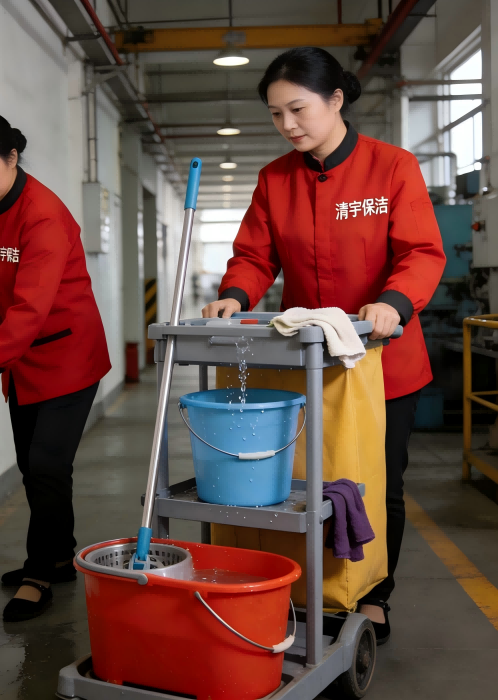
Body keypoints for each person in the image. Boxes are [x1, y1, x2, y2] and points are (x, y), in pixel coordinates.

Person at [202, 48, 445, 645]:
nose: (287, 125)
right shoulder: (275, 179)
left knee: (378, 482)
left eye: (298, 109)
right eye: (276, 114)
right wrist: (234, 295)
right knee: (307, 483)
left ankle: (374, 594)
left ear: (336, 100)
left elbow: (420, 251)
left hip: (384, 359)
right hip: (306, 363)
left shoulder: (392, 167)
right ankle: (309, 585)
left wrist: (393, 303)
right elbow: (255, 254)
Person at [0, 112, 111, 622]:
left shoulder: (44, 215)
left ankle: (39, 574)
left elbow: (32, 308)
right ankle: (59, 556)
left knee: (46, 466)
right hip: (23, 359)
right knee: (33, 466)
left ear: (12, 156)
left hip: (66, 357)